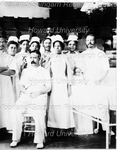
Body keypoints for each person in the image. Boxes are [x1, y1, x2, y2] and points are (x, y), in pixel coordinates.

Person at [10, 50, 51, 149]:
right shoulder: (25, 71)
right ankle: (15, 139)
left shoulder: (44, 71)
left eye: (35, 58)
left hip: (40, 94)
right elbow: (21, 86)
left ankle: (39, 140)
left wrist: (39, 92)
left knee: (39, 111)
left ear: (39, 59)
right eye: (31, 58)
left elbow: (49, 87)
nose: (32, 60)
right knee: (15, 110)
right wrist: (27, 92)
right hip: (26, 94)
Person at [47, 35, 75, 133]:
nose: (57, 47)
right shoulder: (50, 58)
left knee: (63, 105)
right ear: (53, 47)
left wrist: (69, 87)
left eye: (59, 46)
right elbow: (48, 73)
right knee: (54, 105)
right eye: (55, 46)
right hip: (54, 84)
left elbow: (69, 73)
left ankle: (64, 127)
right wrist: (48, 86)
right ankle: (53, 127)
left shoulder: (65, 58)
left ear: (62, 47)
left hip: (63, 84)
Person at [0, 36, 17, 131]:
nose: (1, 44)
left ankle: (5, 126)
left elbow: (12, 72)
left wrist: (2, 69)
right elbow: (8, 68)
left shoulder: (9, 57)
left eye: (3, 42)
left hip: (5, 83)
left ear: (6, 44)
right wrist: (5, 67)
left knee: (5, 104)